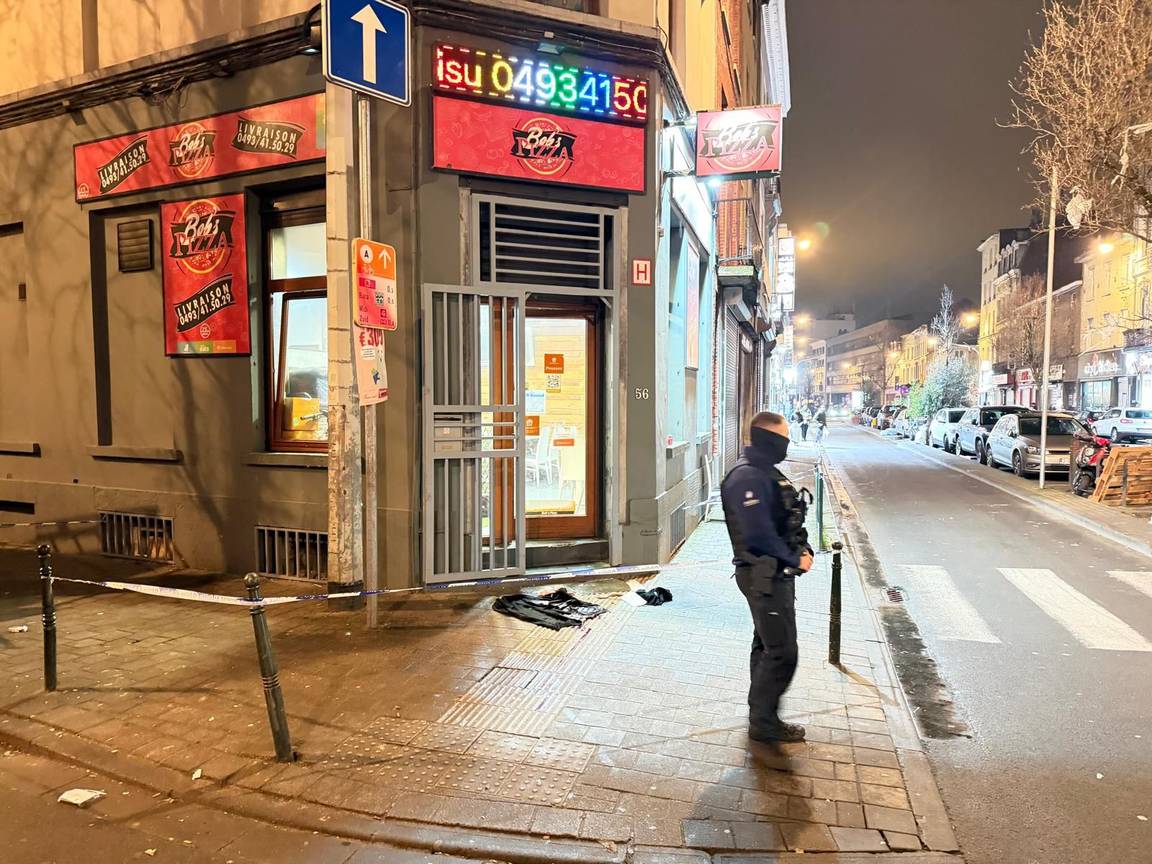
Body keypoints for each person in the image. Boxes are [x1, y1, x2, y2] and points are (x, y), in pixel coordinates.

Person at [720, 411, 814, 743]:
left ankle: (762, 716)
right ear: (768, 438)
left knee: (767, 645)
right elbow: (758, 533)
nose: (786, 445)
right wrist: (794, 558)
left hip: (773, 574)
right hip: (763, 576)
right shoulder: (747, 477)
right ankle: (763, 722)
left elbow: (783, 519)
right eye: (783, 438)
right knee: (782, 652)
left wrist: (803, 548)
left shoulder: (764, 472)